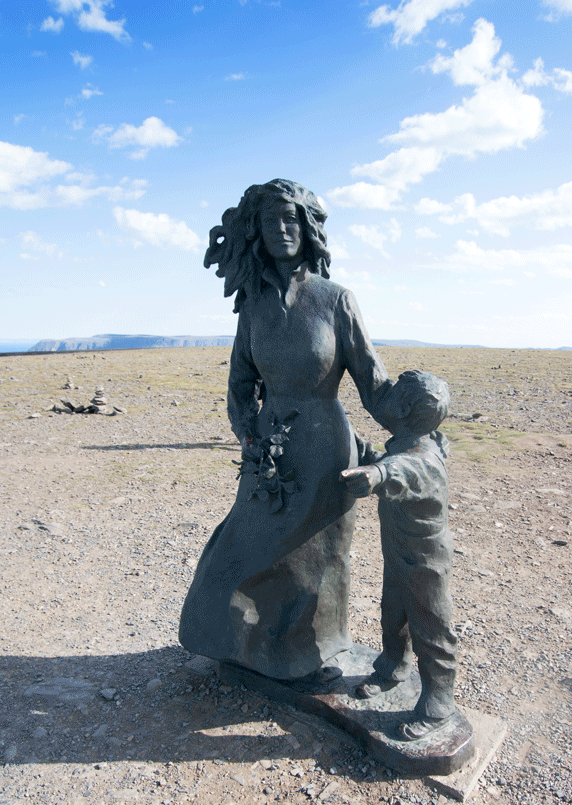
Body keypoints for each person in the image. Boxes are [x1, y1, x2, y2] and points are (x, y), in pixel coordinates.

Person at [179, 179, 392, 684]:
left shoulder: (336, 299)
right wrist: (249, 435)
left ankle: (306, 657)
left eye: (291, 218)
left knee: (311, 563)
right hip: (268, 450)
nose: (282, 229)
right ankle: (245, 647)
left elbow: (373, 381)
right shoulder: (252, 305)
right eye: (271, 220)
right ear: (257, 232)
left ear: (308, 227)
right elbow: (240, 381)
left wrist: (416, 418)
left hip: (324, 446)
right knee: (243, 547)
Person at [340, 370, 458, 740]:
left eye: (392, 394)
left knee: (432, 628)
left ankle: (439, 703)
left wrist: (375, 473)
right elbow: (391, 462)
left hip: (426, 563)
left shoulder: (421, 459)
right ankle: (393, 667)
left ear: (404, 408)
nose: (384, 396)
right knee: (393, 615)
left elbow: (400, 471)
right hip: (399, 554)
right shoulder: (410, 443)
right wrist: (357, 445)